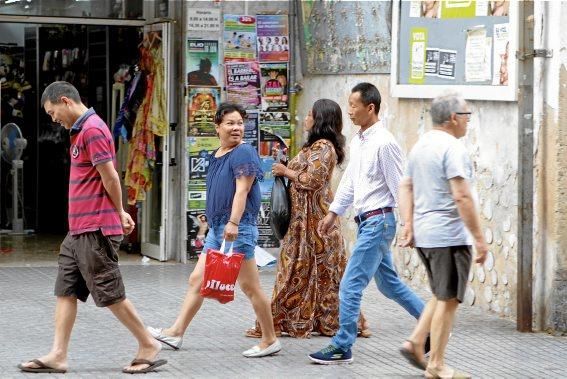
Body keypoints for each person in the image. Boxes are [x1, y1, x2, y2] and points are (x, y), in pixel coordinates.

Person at [18, 81, 167, 374]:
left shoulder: (93, 130)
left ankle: (148, 343)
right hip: (78, 230)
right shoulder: (80, 131)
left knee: (109, 291)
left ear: (65, 100)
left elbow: (110, 177)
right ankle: (58, 354)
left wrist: (120, 210)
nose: (53, 119)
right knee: (65, 290)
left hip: (96, 228)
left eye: (52, 112)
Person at [148, 103, 281, 358]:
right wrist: (215, 225)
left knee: (250, 287)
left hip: (237, 228)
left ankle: (270, 339)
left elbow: (242, 191)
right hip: (218, 229)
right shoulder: (218, 153)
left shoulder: (243, 153)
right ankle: (175, 332)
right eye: (230, 123)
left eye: (240, 123)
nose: (236, 128)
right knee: (197, 280)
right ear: (217, 127)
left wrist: (232, 223)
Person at [309, 82, 425, 364]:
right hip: (368, 222)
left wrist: (409, 224)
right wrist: (334, 212)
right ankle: (431, 326)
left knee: (349, 285)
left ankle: (342, 344)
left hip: (378, 222)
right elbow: (350, 183)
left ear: (369, 108)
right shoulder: (361, 140)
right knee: (390, 285)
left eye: (353, 105)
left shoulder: (384, 143)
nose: (348, 111)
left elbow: (400, 186)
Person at [244, 99, 371, 339]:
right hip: (302, 223)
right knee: (300, 270)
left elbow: (313, 181)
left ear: (320, 119)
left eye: (310, 114)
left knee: (318, 274)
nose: (306, 119)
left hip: (317, 224)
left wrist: (285, 171)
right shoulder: (313, 147)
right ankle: (288, 320)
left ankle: (287, 322)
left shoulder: (324, 147)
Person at [398, 93, 487, 378]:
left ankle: (415, 342)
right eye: (466, 115)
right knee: (449, 300)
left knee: (441, 293)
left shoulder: (420, 145)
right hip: (449, 236)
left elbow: (406, 187)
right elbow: (462, 196)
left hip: (426, 234)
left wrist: (409, 224)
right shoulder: (452, 148)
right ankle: (436, 364)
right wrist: (480, 238)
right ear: (453, 118)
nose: (468, 122)